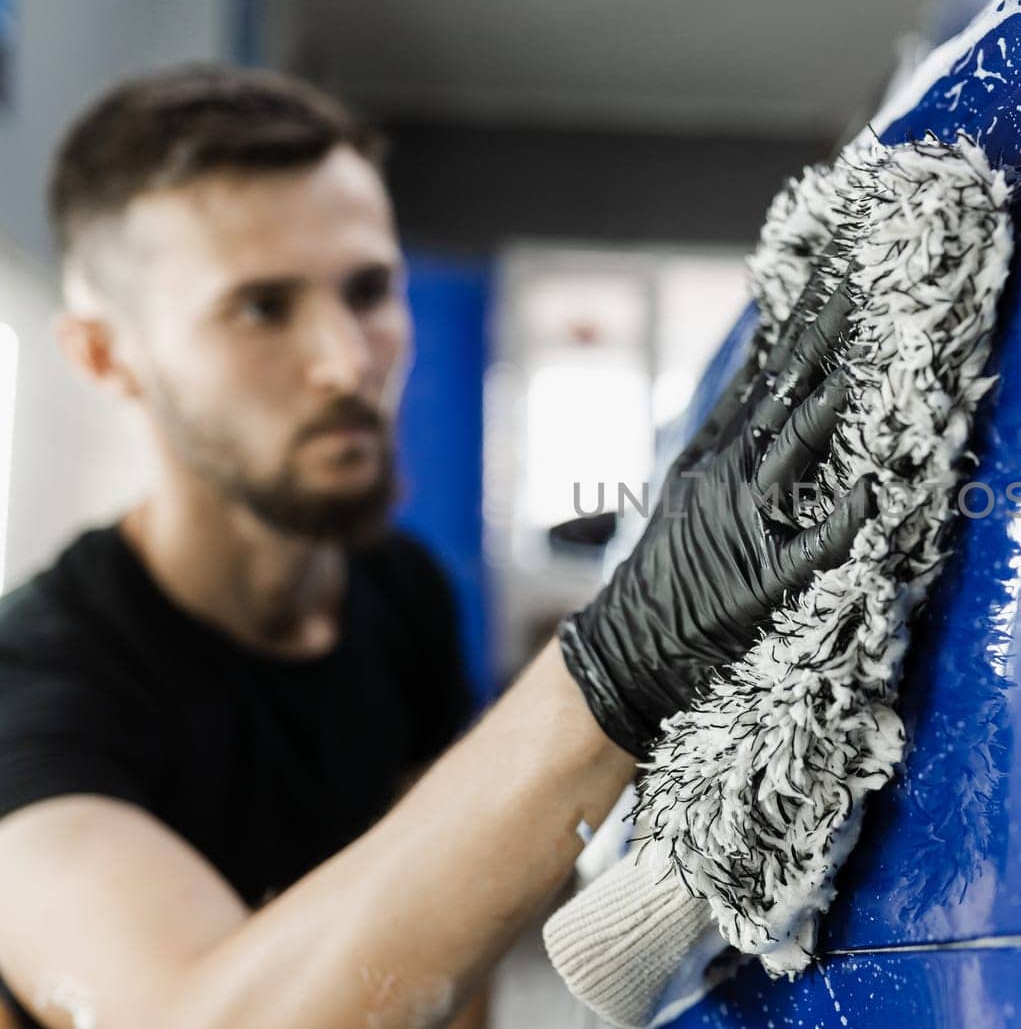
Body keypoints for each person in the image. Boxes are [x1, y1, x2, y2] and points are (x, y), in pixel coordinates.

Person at [0, 64, 868, 1029]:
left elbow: (460, 951)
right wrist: (623, 660)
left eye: (369, 289)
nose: (347, 360)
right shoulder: (31, 684)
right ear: (106, 356)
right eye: (261, 308)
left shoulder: (397, 589)